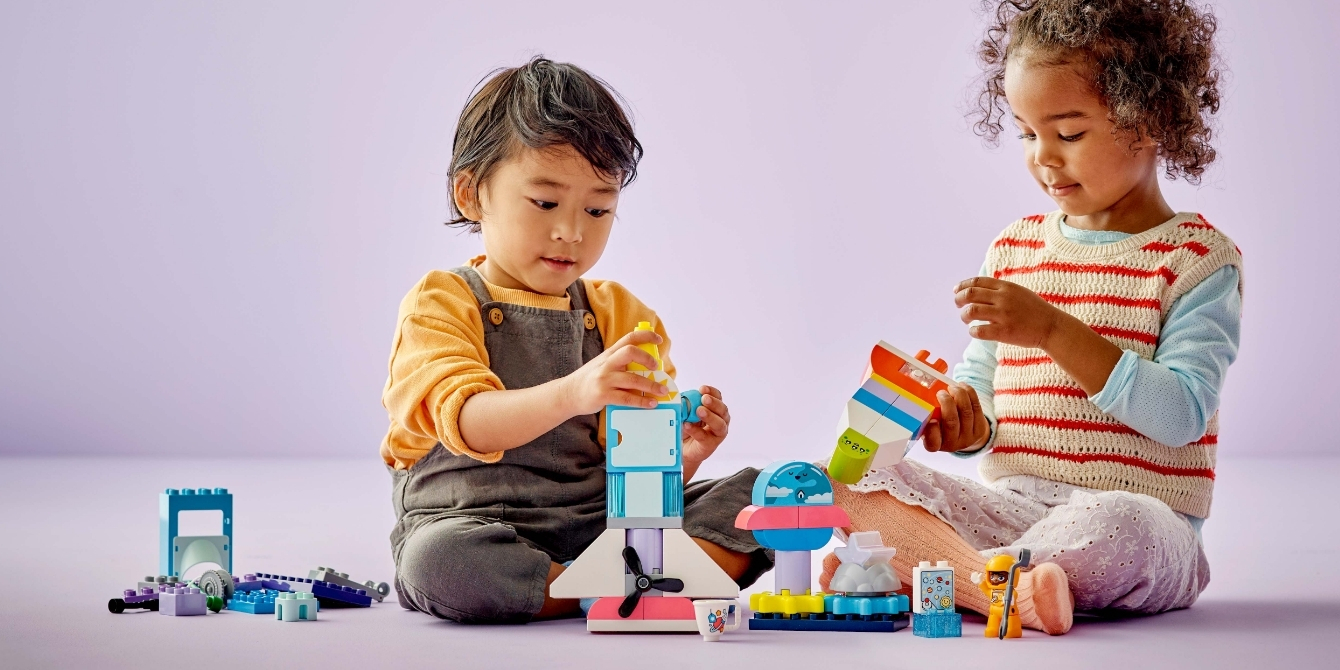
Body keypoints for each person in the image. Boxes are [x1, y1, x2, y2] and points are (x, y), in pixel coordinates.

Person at [820, 0, 1238, 635]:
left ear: (1149, 120)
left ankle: (935, 575)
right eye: (1025, 132)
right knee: (851, 475)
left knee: (1122, 523)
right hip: (1012, 511)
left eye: (1068, 133)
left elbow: (1180, 414)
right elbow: (985, 389)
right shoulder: (1015, 248)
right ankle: (997, 585)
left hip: (1144, 525)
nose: (1043, 156)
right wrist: (964, 421)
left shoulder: (1198, 260)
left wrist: (1051, 329)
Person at [380, 57, 770, 623]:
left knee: (768, 493)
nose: (573, 231)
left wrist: (678, 460)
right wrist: (574, 392)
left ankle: (614, 581)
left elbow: (630, 478)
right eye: (545, 203)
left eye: (598, 208)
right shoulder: (441, 302)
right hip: (477, 523)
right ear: (470, 195)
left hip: (603, 524)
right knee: (440, 561)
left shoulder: (623, 315)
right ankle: (624, 587)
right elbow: (467, 421)